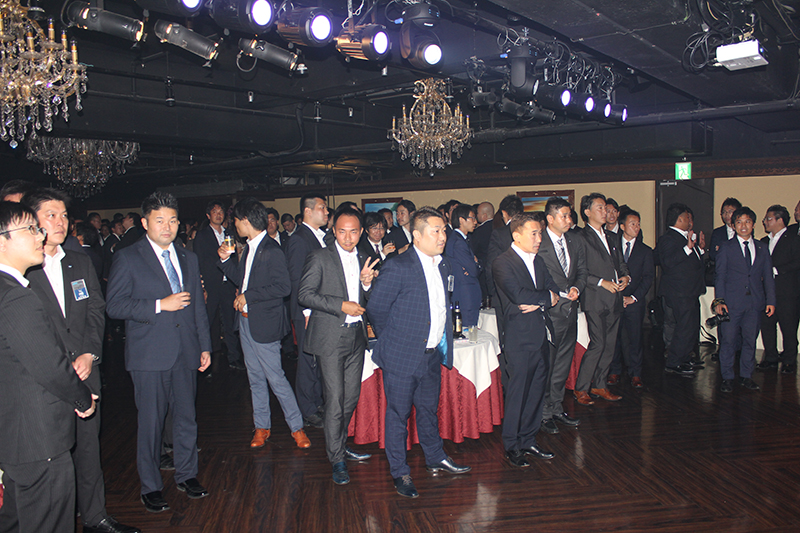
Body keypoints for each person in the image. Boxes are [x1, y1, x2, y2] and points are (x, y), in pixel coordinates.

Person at [19, 189, 139, 533]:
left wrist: (90, 352)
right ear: (31, 221)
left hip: (86, 372)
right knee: (53, 457)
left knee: (88, 449)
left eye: (63, 215)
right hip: (46, 381)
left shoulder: (79, 261)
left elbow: (96, 310)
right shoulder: (23, 269)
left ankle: (95, 516)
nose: (60, 222)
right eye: (50, 215)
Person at [106, 192, 212, 513]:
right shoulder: (128, 257)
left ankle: (187, 474)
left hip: (186, 350)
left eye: (173, 220)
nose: (167, 227)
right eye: (160, 220)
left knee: (186, 418)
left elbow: (198, 307)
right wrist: (158, 305)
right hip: (149, 354)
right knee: (151, 423)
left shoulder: (188, 257)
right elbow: (114, 305)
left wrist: (205, 346)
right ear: (145, 223)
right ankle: (150, 486)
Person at [0, 200, 97, 533]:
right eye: (30, 229)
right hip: (38, 438)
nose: (40, 235)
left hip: (14, 435)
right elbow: (48, 366)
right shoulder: (15, 297)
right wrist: (82, 398)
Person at [367, 206, 471, 499]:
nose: (442, 236)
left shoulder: (443, 265)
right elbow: (376, 310)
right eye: (436, 231)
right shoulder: (398, 267)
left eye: (444, 230)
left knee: (428, 410)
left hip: (431, 355)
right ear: (416, 235)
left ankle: (435, 456)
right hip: (401, 356)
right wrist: (395, 341)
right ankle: (399, 471)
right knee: (398, 416)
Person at [217, 198, 311, 449]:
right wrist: (225, 261)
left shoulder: (271, 249)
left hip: (265, 324)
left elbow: (283, 287)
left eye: (236, 221)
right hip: (246, 322)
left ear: (246, 221)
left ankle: (297, 428)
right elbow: (242, 281)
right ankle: (262, 426)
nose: (234, 225)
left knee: (276, 378)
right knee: (255, 378)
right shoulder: (249, 248)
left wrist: (249, 296)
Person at [298, 207, 378, 484]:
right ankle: (337, 458)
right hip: (329, 338)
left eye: (353, 232)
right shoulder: (319, 257)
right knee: (334, 400)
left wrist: (367, 285)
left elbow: (370, 299)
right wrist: (340, 305)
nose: (347, 237)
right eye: (342, 231)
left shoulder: (365, 258)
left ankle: (339, 444)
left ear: (361, 232)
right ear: (334, 231)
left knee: (350, 398)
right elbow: (304, 295)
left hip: (356, 337)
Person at [492, 212, 560, 467]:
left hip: (540, 335)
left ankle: (529, 439)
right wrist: (544, 298)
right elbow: (518, 295)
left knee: (536, 392)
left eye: (540, 233)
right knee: (518, 393)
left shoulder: (538, 261)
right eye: (534, 234)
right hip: (519, 339)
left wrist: (542, 299)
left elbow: (553, 290)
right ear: (517, 235)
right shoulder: (502, 262)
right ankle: (512, 445)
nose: (539, 238)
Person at [574, 193, 630, 405]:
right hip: (595, 298)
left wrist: (626, 277)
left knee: (609, 345)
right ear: (587, 212)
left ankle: (599, 384)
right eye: (600, 207)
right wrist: (601, 282)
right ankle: (581, 388)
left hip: (615, 298)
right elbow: (578, 271)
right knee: (598, 344)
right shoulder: (580, 238)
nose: (605, 211)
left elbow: (621, 264)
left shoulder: (613, 237)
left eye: (605, 208)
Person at [537, 197, 586, 434]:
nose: (569, 220)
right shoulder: (538, 242)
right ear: (550, 218)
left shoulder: (575, 241)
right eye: (564, 216)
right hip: (549, 313)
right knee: (547, 365)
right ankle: (543, 413)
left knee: (563, 365)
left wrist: (577, 287)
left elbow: (582, 271)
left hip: (570, 312)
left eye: (569, 215)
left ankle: (556, 408)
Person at [714, 207, 776, 392]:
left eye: (747, 221)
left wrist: (771, 300)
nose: (743, 226)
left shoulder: (762, 248)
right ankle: (727, 377)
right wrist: (719, 301)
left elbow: (768, 277)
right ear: (733, 226)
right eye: (739, 222)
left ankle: (746, 376)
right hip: (731, 303)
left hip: (755, 303)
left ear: (753, 224)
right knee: (728, 341)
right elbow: (720, 276)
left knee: (750, 341)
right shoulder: (726, 247)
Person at [285, 193, 329, 428]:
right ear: (308, 211)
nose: (326, 212)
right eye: (322, 207)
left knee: (317, 359)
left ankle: (317, 402)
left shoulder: (321, 236)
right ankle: (307, 409)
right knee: (307, 360)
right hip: (307, 311)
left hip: (319, 309)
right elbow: (296, 279)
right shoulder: (299, 239)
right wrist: (306, 312)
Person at [655, 203, 707, 377]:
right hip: (679, 292)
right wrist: (688, 248)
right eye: (686, 217)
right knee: (683, 328)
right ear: (679, 219)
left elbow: (693, 263)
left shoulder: (685, 237)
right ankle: (674, 362)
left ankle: (684, 357)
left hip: (690, 291)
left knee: (691, 327)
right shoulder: (668, 238)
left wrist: (699, 249)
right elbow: (668, 263)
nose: (689, 221)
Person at [193, 200, 244, 371]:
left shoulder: (229, 233)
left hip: (227, 284)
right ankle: (203, 358)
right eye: (214, 212)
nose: (218, 214)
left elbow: (234, 260)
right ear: (208, 215)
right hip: (210, 285)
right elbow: (199, 261)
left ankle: (234, 357)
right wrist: (202, 287)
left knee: (230, 321)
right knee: (207, 321)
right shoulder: (202, 235)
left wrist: (237, 284)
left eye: (221, 211)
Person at [608, 209, 654, 389]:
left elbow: (648, 278)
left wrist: (633, 297)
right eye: (632, 224)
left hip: (635, 302)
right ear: (622, 226)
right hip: (614, 300)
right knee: (615, 337)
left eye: (638, 224)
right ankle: (614, 370)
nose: (636, 227)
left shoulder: (645, 251)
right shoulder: (612, 247)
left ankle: (636, 373)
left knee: (635, 338)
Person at [759, 205, 800, 373]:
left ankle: (790, 360)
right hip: (766, 293)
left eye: (768, 219)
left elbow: (797, 262)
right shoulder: (763, 242)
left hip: (787, 292)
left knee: (788, 327)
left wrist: (775, 270)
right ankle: (771, 357)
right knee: (767, 326)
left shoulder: (794, 239)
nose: (765, 221)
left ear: (780, 220)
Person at [445, 204, 482, 327]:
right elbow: (473, 270)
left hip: (465, 293)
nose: (475, 222)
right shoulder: (458, 242)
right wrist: (476, 263)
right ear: (461, 220)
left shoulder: (462, 239)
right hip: (465, 295)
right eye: (472, 218)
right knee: (467, 330)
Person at [472, 201, 495, 301]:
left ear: (484, 215)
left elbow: (473, 250)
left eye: (477, 213)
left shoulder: (479, 232)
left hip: (484, 270)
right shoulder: (500, 228)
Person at [709, 197, 742, 262]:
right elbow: (712, 255)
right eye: (724, 212)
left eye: (730, 212)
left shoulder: (743, 231)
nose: (726, 215)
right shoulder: (717, 232)